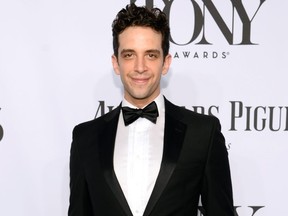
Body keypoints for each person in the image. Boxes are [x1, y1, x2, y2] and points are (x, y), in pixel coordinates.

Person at [68, 3, 234, 216]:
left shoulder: (203, 133)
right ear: (116, 63)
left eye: (151, 55)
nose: (140, 67)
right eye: (129, 55)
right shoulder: (85, 137)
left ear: (165, 63)